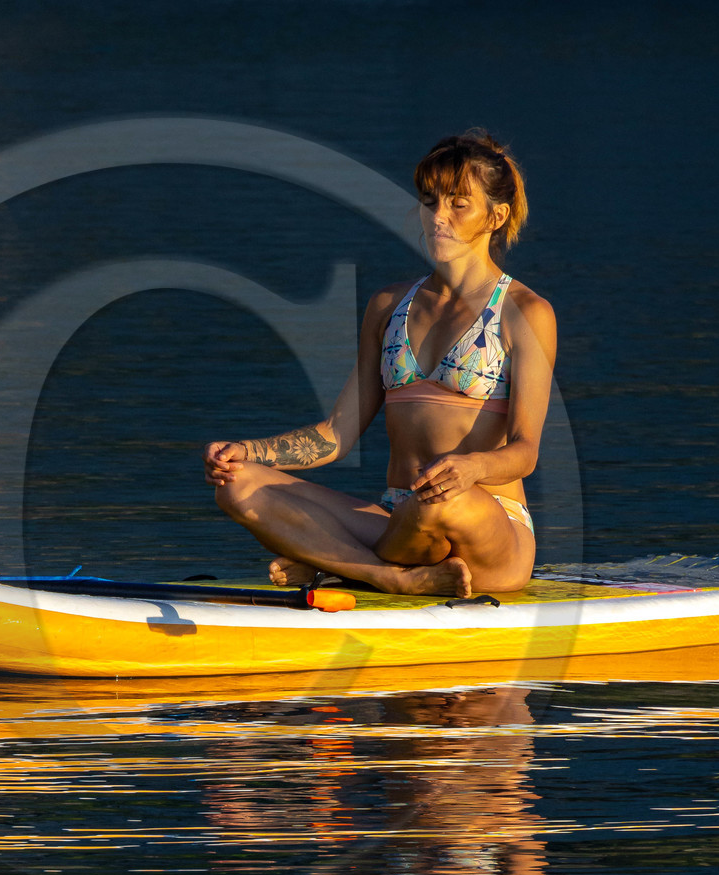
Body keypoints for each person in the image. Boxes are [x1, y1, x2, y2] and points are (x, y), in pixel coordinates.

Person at [204, 131, 557, 598]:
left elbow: (525, 450)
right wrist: (250, 451)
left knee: (437, 502)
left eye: (458, 204)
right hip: (399, 519)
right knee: (236, 487)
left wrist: (471, 468)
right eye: (430, 203)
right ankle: (387, 577)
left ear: (496, 216)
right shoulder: (389, 304)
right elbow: (335, 435)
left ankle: (335, 563)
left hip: (485, 524)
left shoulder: (525, 312)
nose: (438, 218)